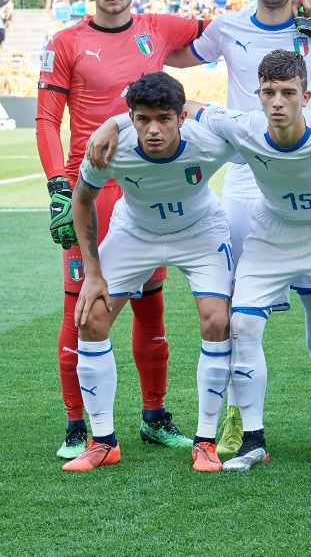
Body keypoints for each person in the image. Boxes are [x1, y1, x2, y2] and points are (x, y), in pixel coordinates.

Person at [36, 0, 206, 461]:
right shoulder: (66, 42)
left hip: (143, 192)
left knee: (151, 307)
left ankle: (155, 416)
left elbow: (232, 29)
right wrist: (57, 187)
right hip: (88, 193)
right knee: (83, 306)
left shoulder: (158, 28)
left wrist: (302, 6)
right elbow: (46, 120)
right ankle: (76, 424)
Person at [189, 50, 311, 474]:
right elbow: (184, 106)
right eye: (269, 92)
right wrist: (115, 123)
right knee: (242, 326)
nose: (277, 102)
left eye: (288, 92)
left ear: (307, 96)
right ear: (258, 94)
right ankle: (253, 441)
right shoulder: (243, 125)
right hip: (271, 234)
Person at [64, 73, 236, 472]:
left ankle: (205, 442)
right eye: (142, 119)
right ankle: (102, 441)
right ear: (131, 118)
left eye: (164, 119)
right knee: (90, 319)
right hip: (135, 233)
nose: (153, 129)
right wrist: (93, 272)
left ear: (182, 117)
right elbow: (82, 200)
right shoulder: (112, 147)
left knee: (217, 321)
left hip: (200, 232)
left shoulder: (210, 141)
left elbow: (265, 139)